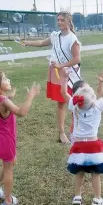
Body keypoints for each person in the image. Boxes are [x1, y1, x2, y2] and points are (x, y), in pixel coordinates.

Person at [60, 64, 103, 205]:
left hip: (78, 145)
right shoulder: (97, 106)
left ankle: (77, 196)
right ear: (94, 98)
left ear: (76, 98)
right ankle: (97, 198)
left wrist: (64, 78)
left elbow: (64, 93)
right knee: (96, 173)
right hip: (93, 145)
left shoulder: (74, 106)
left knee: (79, 172)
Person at [0, 70, 40, 205]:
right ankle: (8, 201)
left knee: (10, 163)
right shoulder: (4, 101)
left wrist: (8, 96)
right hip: (6, 141)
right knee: (9, 169)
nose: (8, 80)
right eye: (5, 79)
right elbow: (21, 112)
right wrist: (31, 95)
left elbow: (1, 102)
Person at [23, 11, 81, 144]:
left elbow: (77, 58)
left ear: (68, 21)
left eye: (62, 20)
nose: (59, 22)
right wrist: (28, 43)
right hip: (56, 72)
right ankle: (61, 132)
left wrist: (61, 65)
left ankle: (77, 130)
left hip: (69, 73)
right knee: (61, 103)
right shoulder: (55, 36)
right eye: (58, 20)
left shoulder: (72, 39)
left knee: (75, 103)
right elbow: (42, 42)